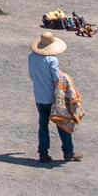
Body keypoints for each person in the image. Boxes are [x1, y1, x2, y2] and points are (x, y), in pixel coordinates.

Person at [28, 32, 77, 162]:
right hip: (53, 97)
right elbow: (56, 79)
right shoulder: (51, 60)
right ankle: (68, 152)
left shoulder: (31, 57)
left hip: (39, 96)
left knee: (43, 124)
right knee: (62, 123)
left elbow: (32, 75)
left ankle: (43, 153)